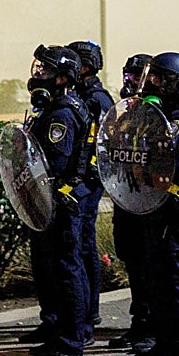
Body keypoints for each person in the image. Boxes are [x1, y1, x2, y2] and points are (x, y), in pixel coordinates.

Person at [131, 53, 179, 356]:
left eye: (162, 79)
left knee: (172, 279)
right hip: (156, 205)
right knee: (156, 277)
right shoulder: (158, 113)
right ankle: (164, 342)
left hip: (178, 208)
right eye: (153, 77)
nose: (154, 83)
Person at [20, 45, 92, 356]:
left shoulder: (62, 113)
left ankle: (69, 341)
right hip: (51, 204)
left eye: (46, 71)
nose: (39, 75)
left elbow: (54, 163)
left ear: (63, 78)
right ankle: (58, 332)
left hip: (60, 204)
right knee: (57, 270)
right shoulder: (54, 107)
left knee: (66, 271)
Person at [106, 54, 156, 354]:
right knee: (133, 264)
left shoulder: (153, 113)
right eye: (127, 75)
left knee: (149, 268)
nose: (130, 82)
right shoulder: (125, 112)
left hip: (147, 200)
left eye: (136, 76)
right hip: (125, 196)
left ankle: (151, 329)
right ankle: (139, 324)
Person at [67, 40, 113, 336]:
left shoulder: (97, 99)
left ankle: (88, 311)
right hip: (77, 180)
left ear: (84, 66)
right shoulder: (77, 95)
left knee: (83, 245)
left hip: (87, 182)